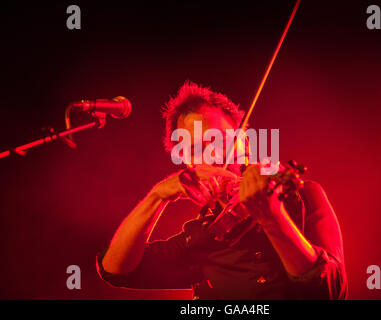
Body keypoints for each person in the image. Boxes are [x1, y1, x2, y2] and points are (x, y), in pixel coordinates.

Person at [96, 81, 348, 299]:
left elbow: (331, 291)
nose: (213, 154)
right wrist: (157, 196)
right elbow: (116, 269)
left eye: (219, 140)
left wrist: (273, 218)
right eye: (195, 149)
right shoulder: (202, 235)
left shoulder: (301, 197)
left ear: (245, 144)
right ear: (187, 162)